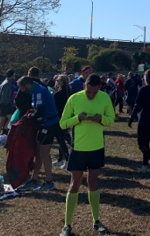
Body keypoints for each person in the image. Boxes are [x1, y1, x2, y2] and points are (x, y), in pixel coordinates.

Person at [58, 74, 115, 236]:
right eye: (89, 92)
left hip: (96, 147)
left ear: (100, 88)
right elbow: (63, 123)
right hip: (78, 148)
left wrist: (101, 118)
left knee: (93, 183)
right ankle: (67, 225)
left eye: (95, 92)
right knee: (75, 184)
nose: (91, 95)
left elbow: (111, 120)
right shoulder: (74, 99)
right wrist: (78, 118)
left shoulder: (104, 98)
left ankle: (96, 221)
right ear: (84, 86)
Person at [17, 72, 61, 192]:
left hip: (49, 124)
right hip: (44, 124)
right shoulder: (36, 90)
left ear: (27, 84)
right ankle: (34, 179)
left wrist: (30, 115)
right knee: (38, 151)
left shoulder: (39, 91)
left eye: (22, 87)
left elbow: (39, 111)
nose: (22, 90)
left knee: (44, 152)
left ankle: (49, 181)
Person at [53, 74, 73, 167]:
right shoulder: (70, 91)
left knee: (61, 139)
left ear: (61, 82)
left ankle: (67, 159)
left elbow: (54, 107)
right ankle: (61, 159)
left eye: (57, 81)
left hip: (59, 118)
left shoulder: (58, 94)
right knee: (65, 137)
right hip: (68, 118)